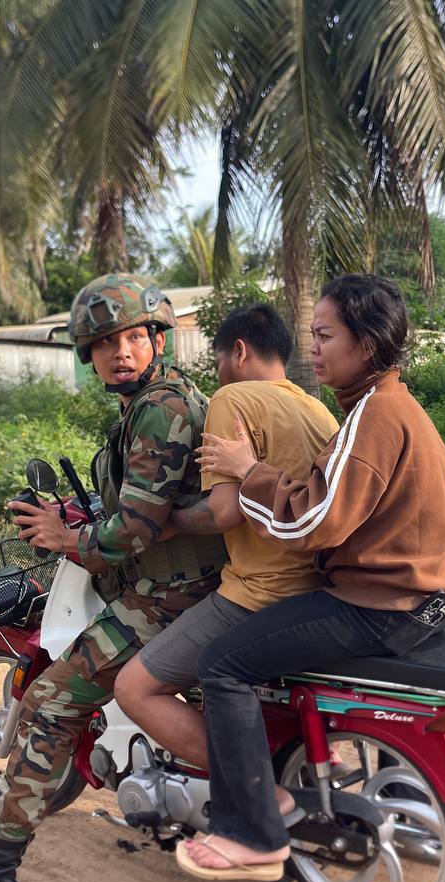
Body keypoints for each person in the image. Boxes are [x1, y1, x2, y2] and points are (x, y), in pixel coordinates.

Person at [0, 274, 228, 882]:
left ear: (155, 339)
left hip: (166, 601)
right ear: (88, 356)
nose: (121, 351)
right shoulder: (149, 405)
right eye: (105, 342)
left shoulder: (163, 407)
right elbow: (147, 501)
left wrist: (71, 536)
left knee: (49, 703)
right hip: (177, 593)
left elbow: (137, 531)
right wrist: (76, 511)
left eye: (133, 337)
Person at [176, 273, 445, 881]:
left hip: (384, 604)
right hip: (430, 599)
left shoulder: (375, 417)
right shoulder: (384, 406)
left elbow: (312, 522)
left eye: (325, 335)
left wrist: (246, 468)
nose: (313, 349)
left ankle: (253, 832)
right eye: (311, 336)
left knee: (222, 663)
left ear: (366, 345)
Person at [113, 303, 339, 780]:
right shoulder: (317, 407)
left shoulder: (232, 401)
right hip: (317, 589)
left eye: (217, 363)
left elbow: (225, 511)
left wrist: (159, 520)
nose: (217, 375)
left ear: (238, 351)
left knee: (134, 688)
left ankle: (252, 787)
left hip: (257, 592)